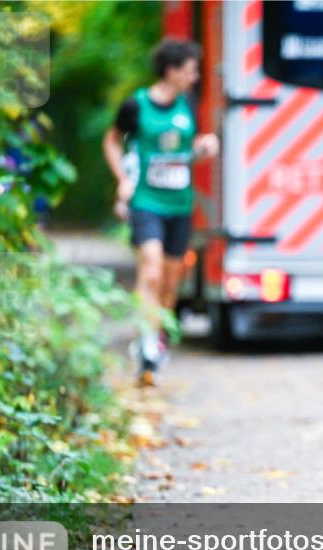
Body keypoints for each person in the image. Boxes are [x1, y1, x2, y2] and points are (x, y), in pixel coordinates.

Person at [102, 39, 219, 387]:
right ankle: (146, 343)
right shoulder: (135, 106)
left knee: (170, 281)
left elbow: (186, 147)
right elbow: (111, 140)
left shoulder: (188, 104)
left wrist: (203, 147)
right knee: (150, 269)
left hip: (179, 205)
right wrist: (122, 180)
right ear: (171, 70)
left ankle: (158, 338)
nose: (195, 76)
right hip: (145, 202)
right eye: (190, 70)